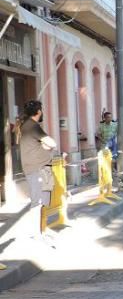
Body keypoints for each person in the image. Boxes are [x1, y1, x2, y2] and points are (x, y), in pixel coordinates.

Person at [16, 100, 57, 240]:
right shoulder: (32, 126)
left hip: (43, 167)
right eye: (42, 109)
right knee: (37, 202)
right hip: (38, 168)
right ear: (38, 112)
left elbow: (42, 145)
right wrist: (48, 145)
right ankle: (35, 233)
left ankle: (41, 230)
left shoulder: (28, 125)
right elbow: (52, 143)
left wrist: (46, 147)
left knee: (43, 201)